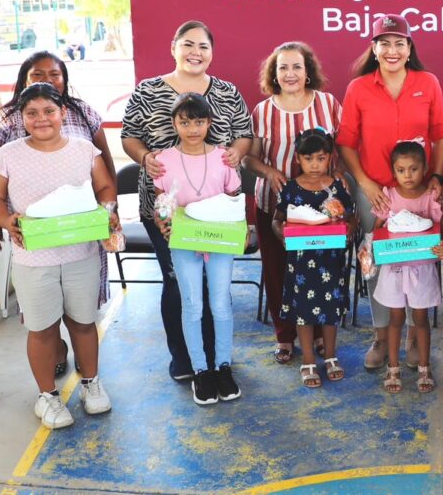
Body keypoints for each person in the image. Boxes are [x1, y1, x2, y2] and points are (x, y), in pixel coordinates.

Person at [121, 20, 253, 382]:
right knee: (178, 281)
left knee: (216, 288)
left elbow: (244, 134)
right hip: (167, 210)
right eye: (188, 44)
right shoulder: (148, 91)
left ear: (212, 52)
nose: (196, 52)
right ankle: (186, 358)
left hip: (217, 210)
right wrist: (144, 157)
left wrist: (235, 155)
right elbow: (130, 135)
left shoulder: (226, 91)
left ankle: (215, 357)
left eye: (204, 46)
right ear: (174, 47)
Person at [0, 83, 117, 429]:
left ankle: (91, 383)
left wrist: (107, 210)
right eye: (32, 113)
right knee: (42, 329)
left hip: (81, 253)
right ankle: (48, 397)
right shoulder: (7, 155)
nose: (41, 119)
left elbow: (104, 187)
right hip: (34, 258)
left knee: (84, 322)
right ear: (22, 118)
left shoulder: (84, 149)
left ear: (62, 114)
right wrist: (5, 219)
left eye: (49, 111)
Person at [337, 13, 443, 370]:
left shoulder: (427, 82)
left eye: (399, 43)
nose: (392, 50)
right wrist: (365, 183)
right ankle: (382, 336)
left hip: (419, 192)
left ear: (409, 47)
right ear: (373, 48)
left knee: (420, 259)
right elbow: (346, 143)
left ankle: (416, 335)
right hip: (375, 193)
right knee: (377, 262)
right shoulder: (358, 88)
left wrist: (437, 177)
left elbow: (442, 136)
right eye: (384, 43)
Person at [242, 42, 341, 364]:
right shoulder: (263, 110)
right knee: (277, 273)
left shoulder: (328, 104)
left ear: (308, 71)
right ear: (274, 73)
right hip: (275, 207)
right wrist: (269, 171)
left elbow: (343, 150)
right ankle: (285, 336)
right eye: (283, 67)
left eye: (296, 66)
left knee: (318, 273)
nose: (290, 74)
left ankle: (316, 335)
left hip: (323, 211)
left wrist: (338, 186)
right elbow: (249, 159)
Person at [153, 93, 242, 405]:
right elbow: (161, 202)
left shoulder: (223, 157)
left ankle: (223, 366)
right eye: (185, 121)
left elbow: (234, 197)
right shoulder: (163, 160)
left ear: (210, 123)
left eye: (199, 121)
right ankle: (200, 370)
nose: (192, 128)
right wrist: (162, 219)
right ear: (175, 123)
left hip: (219, 242)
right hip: (184, 242)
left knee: (220, 304)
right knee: (191, 304)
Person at [272, 129, 354, 388]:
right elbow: (277, 220)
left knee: (330, 312)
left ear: (330, 157)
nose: (315, 165)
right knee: (303, 314)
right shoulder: (291, 189)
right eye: (309, 159)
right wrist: (282, 235)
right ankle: (308, 359)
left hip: (330, 262)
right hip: (301, 265)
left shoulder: (338, 186)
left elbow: (351, 216)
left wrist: (349, 228)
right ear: (298, 158)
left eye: (321, 158)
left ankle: (330, 356)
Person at [372, 140, 443, 394]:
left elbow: (442, 224)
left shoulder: (430, 196)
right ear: (393, 171)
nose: (408, 175)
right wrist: (371, 246)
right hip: (393, 269)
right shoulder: (388, 195)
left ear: (425, 168)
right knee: (395, 319)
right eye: (401, 170)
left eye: (414, 169)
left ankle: (424, 367)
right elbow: (378, 228)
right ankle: (393, 368)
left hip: (422, 269)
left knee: (420, 319)